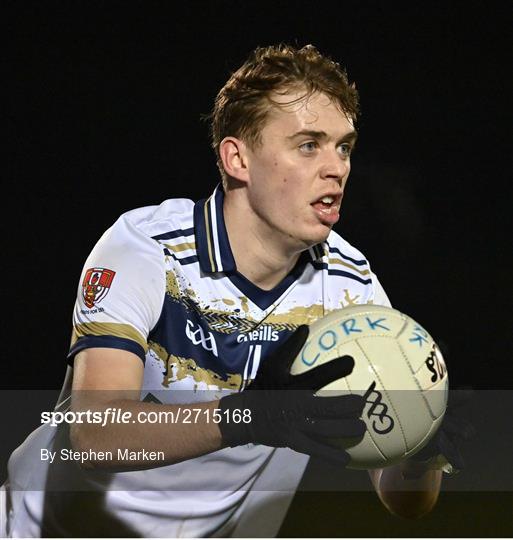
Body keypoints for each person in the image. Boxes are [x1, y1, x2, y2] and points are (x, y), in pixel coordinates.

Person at [2, 43, 452, 538]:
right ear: (237, 158)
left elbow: (403, 500)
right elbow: (95, 437)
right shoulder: (146, 250)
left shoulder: (350, 285)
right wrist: (253, 417)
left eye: (343, 146)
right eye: (308, 145)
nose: (337, 167)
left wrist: (418, 451)